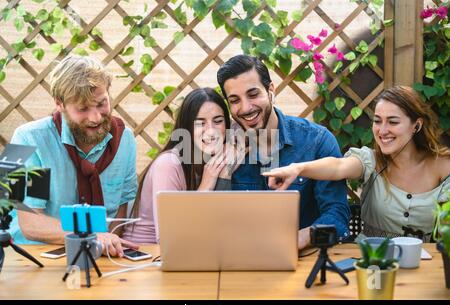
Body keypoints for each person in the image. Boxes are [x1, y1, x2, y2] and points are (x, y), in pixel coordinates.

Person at [263, 86, 450, 241]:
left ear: (416, 126)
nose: (382, 130)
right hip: (368, 260)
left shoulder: (443, 166)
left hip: (424, 262)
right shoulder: (372, 160)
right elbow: (338, 167)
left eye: (392, 122)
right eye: (377, 121)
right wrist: (298, 168)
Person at [216, 54, 351, 250]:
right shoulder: (222, 147)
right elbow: (213, 220)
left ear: (271, 90)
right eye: (235, 100)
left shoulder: (316, 141)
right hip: (238, 261)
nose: (245, 108)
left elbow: (337, 214)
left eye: (253, 94)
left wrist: (299, 239)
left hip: (302, 262)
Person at [10, 55, 139, 257]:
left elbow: (121, 209)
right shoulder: (26, 140)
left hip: (99, 256)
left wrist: (105, 244)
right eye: (83, 109)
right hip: (30, 255)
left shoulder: (126, 139)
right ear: (59, 103)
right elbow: (30, 223)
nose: (95, 117)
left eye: (101, 103)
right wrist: (90, 236)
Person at [122, 87, 240, 244]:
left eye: (218, 121)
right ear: (187, 128)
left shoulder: (212, 159)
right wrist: (205, 187)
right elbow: (169, 237)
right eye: (200, 123)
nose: (211, 131)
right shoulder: (168, 164)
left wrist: (225, 172)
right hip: (145, 255)